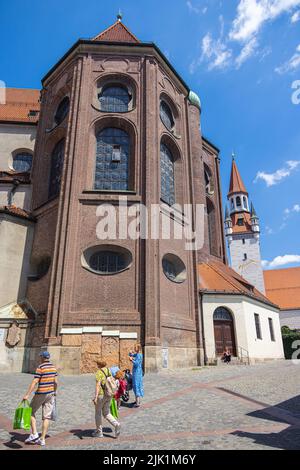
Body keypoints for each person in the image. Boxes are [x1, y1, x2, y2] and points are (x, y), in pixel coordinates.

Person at [23, 351, 58, 446]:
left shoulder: (40, 367)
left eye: (40, 357)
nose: (40, 358)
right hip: (50, 393)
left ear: (42, 357)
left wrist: (27, 395)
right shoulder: (53, 367)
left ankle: (34, 433)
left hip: (41, 393)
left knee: (30, 411)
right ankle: (42, 438)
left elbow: (35, 382)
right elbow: (56, 382)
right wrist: (55, 392)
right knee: (46, 417)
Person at [92, 360, 121, 438]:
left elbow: (98, 385)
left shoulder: (99, 372)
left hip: (101, 395)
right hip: (109, 394)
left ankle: (99, 432)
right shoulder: (108, 370)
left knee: (98, 413)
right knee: (106, 413)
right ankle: (116, 424)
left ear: (98, 365)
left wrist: (95, 397)